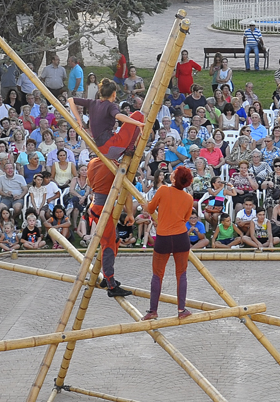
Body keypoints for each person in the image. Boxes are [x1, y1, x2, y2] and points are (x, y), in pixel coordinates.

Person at [142, 166, 196, 320]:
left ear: (173, 178)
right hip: (180, 237)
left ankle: (153, 310)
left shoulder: (163, 190)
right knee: (182, 274)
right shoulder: (188, 198)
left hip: (164, 237)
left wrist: (145, 205)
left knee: (157, 275)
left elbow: (150, 209)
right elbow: (185, 219)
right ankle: (181, 310)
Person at [85, 157, 133, 298]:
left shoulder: (94, 161)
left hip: (97, 205)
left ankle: (108, 277)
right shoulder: (115, 167)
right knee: (109, 244)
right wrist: (130, 213)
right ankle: (111, 284)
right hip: (102, 208)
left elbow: (89, 182)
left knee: (115, 240)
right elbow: (127, 193)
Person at [70, 79, 147, 162]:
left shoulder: (92, 102)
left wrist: (79, 120)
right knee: (138, 115)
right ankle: (130, 147)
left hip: (103, 149)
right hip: (113, 145)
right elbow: (118, 116)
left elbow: (71, 100)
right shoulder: (110, 106)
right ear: (114, 93)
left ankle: (129, 147)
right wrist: (137, 123)